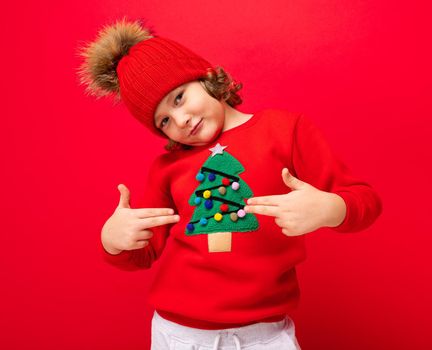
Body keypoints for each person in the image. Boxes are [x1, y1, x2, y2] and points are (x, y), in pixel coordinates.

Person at [77, 17, 382, 350]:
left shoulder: (285, 131)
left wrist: (332, 208)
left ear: (204, 77)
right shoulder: (167, 168)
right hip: (179, 334)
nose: (180, 120)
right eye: (163, 120)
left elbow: (363, 200)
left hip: (265, 335)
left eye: (178, 98)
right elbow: (144, 252)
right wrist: (113, 239)